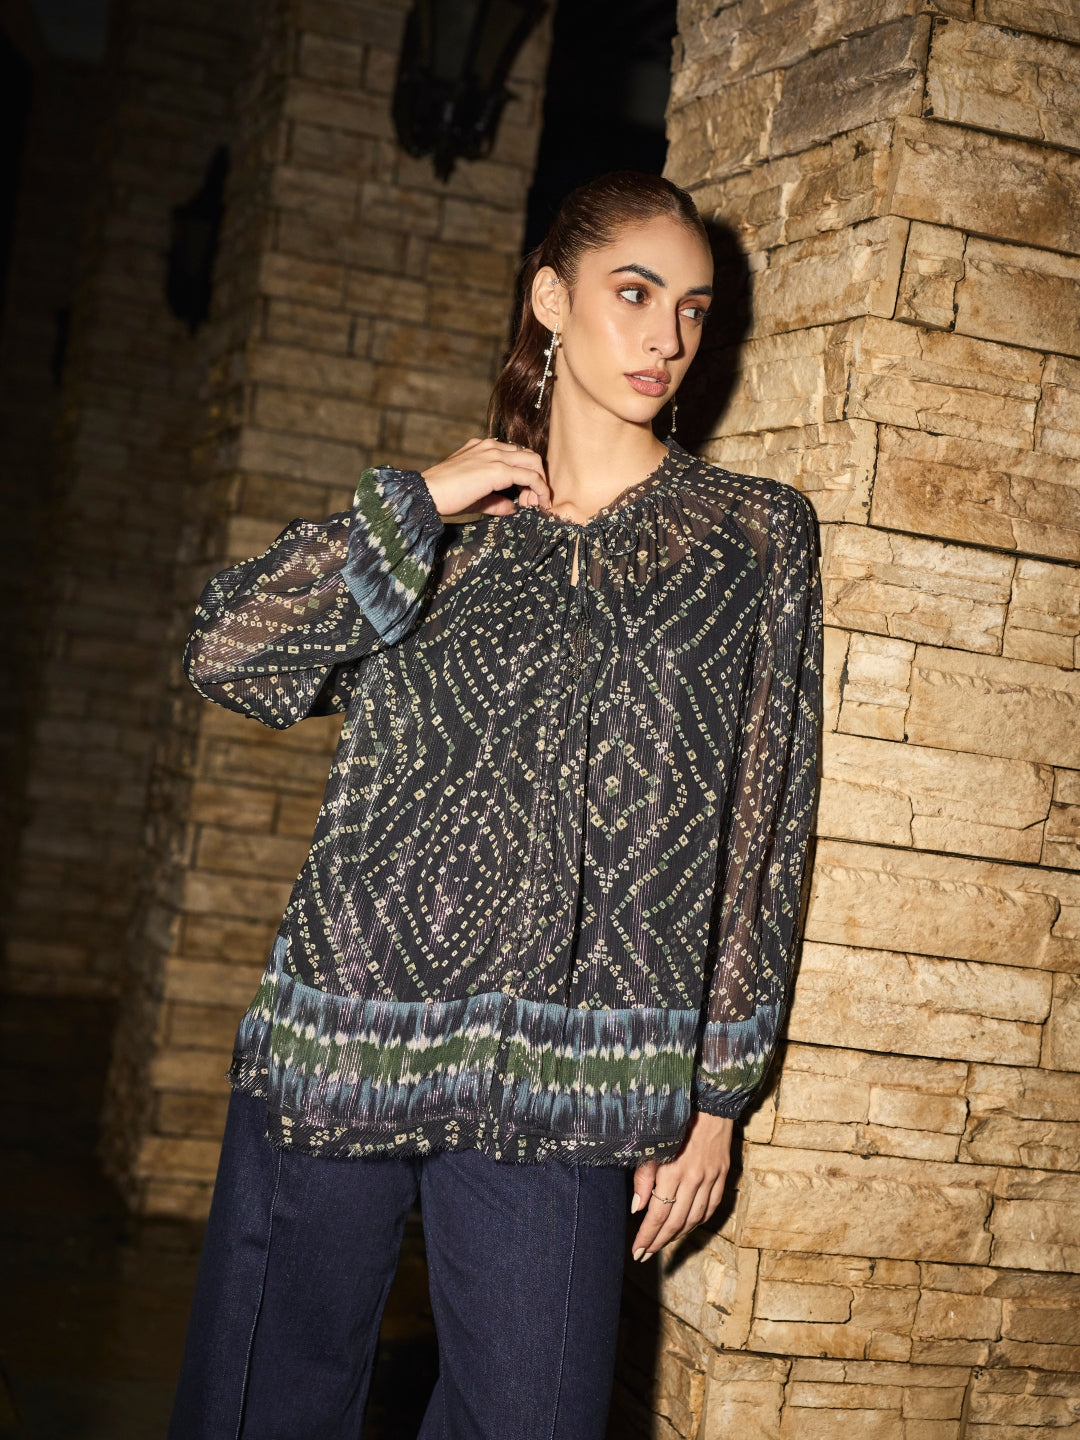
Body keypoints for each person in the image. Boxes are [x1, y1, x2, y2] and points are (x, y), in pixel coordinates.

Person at [168, 170, 823, 1440]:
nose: (666, 337)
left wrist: (718, 1098)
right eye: (633, 293)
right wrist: (414, 503)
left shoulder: (748, 538)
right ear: (552, 300)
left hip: (577, 1074)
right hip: (345, 1034)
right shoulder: (448, 534)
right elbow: (226, 655)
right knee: (261, 1405)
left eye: (692, 309)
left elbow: (765, 824)